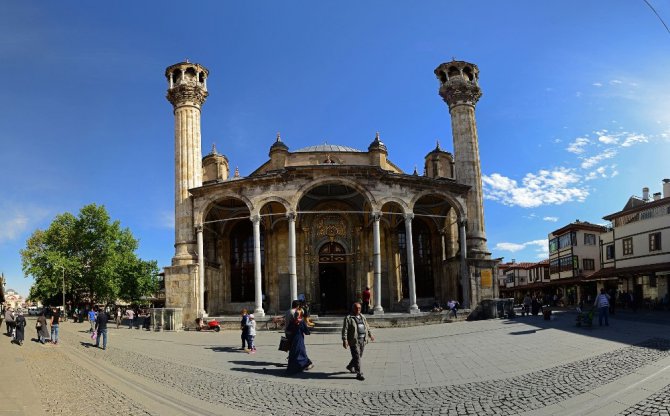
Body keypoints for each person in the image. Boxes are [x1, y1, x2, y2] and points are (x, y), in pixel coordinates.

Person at [342, 302, 374, 381]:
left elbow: (367, 326)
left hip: (362, 339)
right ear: (353, 308)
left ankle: (350, 366)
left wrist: (370, 334)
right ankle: (359, 373)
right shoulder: (348, 318)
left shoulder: (362, 316)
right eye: (356, 308)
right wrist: (345, 340)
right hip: (354, 341)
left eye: (359, 308)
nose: (358, 309)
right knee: (357, 357)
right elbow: (345, 330)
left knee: (359, 356)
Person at [286, 307, 314, 374]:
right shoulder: (301, 322)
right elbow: (307, 332)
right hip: (299, 339)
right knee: (301, 352)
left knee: (293, 353)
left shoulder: (292, 321)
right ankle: (300, 366)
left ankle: (292, 368)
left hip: (293, 339)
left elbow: (288, 329)